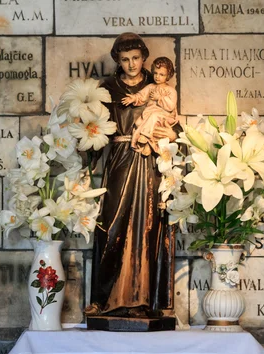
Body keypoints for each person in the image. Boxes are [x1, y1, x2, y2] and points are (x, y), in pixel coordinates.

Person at [85, 33, 179, 318]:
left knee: (146, 227)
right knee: (111, 224)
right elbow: (95, 131)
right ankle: (103, 299)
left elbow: (176, 129)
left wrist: (172, 135)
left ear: (145, 57)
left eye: (136, 58)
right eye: (125, 59)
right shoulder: (108, 88)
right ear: (118, 60)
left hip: (149, 163)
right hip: (118, 161)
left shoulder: (158, 87)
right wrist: (85, 162)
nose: (132, 64)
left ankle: (143, 300)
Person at [122, 57, 178, 156]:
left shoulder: (171, 91)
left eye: (162, 74)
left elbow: (170, 106)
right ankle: (148, 146)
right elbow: (142, 95)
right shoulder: (151, 87)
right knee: (143, 121)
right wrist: (134, 98)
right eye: (155, 73)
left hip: (165, 117)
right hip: (151, 114)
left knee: (154, 117)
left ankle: (145, 136)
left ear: (168, 75)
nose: (157, 77)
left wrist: (159, 98)